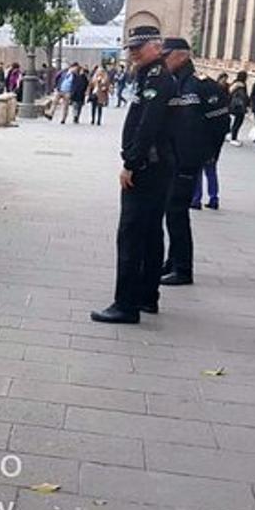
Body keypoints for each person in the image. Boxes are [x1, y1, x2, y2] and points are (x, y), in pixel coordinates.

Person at [91, 26, 177, 324]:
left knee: (131, 234)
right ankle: (146, 296)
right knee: (151, 233)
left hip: (147, 168)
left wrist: (131, 163)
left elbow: (148, 126)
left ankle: (126, 304)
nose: (133, 53)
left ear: (157, 47)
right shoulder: (153, 76)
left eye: (138, 48)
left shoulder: (157, 79)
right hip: (157, 167)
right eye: (130, 49)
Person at [157, 38, 211, 287]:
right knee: (171, 214)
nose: (164, 60)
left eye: (166, 55)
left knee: (177, 215)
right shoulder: (179, 82)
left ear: (181, 56)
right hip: (175, 160)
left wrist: (200, 155)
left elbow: (205, 124)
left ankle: (183, 269)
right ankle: (172, 261)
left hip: (185, 161)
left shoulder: (194, 86)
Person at [193, 69, 231, 211]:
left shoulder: (200, 94)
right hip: (215, 141)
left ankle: (196, 199)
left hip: (201, 139)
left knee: (197, 170)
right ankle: (213, 197)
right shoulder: (220, 97)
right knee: (211, 170)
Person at [227, 71, 249, 146]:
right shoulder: (242, 85)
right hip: (239, 107)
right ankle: (233, 138)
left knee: (233, 121)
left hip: (232, 106)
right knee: (238, 122)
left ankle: (230, 135)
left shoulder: (234, 83)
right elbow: (243, 97)